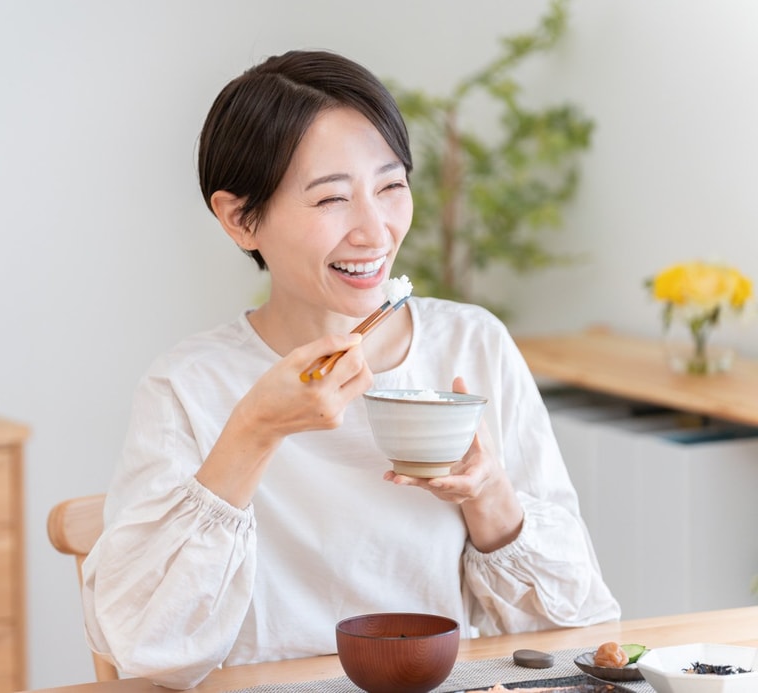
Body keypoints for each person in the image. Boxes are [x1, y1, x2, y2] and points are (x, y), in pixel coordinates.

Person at [80, 49, 620, 689]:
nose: (376, 231)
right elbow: (147, 647)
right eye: (332, 198)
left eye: (391, 186)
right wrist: (253, 430)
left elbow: (580, 629)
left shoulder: (473, 346)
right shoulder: (191, 385)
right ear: (239, 218)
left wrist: (488, 495)